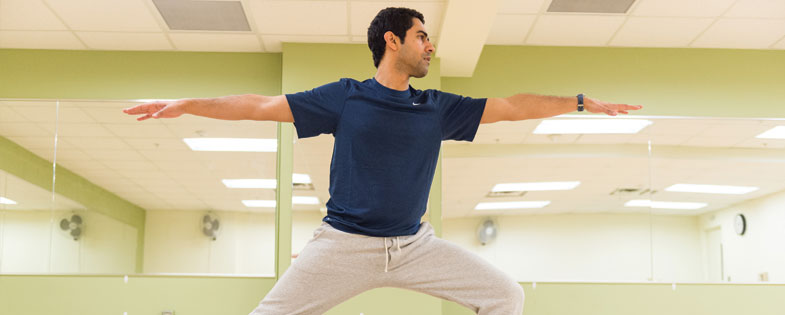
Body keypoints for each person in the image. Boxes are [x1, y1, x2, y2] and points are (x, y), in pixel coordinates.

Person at [124, 7, 642, 315]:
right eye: (422, 36)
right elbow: (259, 106)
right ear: (392, 40)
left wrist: (577, 101)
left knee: (506, 295)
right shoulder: (345, 97)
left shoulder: (436, 107)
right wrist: (187, 104)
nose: (430, 45)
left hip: (415, 245)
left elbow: (509, 107)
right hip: (343, 245)